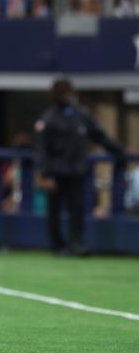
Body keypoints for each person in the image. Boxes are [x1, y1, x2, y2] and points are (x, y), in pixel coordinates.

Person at [34, 78, 124, 256]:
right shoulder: (48, 118)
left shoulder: (81, 115)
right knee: (54, 211)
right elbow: (41, 149)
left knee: (77, 210)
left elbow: (99, 135)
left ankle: (77, 244)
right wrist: (44, 173)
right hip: (56, 172)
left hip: (76, 171)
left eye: (69, 92)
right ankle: (57, 245)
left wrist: (119, 149)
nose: (68, 96)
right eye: (64, 92)